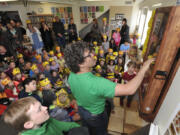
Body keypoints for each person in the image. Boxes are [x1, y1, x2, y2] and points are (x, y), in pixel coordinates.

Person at [64, 41, 154, 135]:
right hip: (96, 116)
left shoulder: (71, 75)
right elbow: (129, 89)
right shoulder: (97, 83)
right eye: (89, 55)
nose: (93, 54)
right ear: (80, 64)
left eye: (90, 51)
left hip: (82, 110)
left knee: (89, 129)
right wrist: (143, 69)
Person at [3, 97, 82, 135]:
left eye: (41, 106)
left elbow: (64, 125)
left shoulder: (47, 120)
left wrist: (79, 128)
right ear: (29, 124)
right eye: (39, 109)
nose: (45, 108)